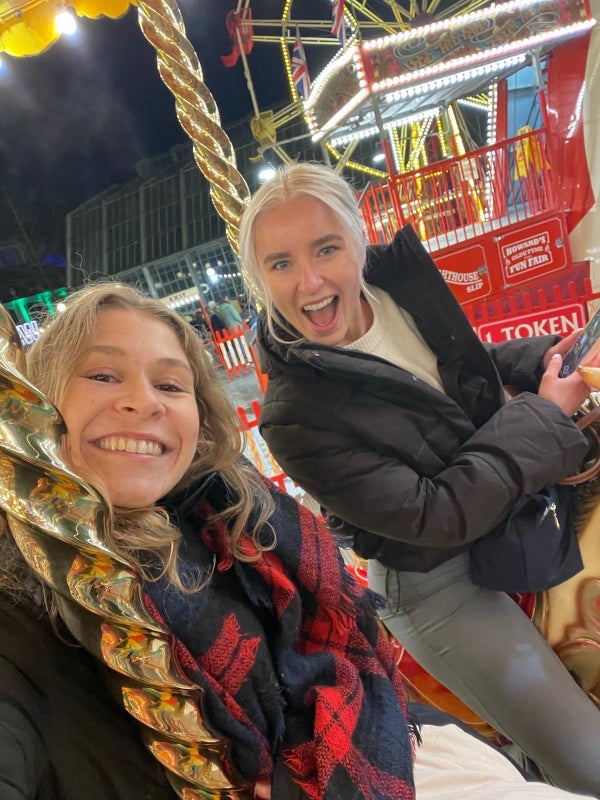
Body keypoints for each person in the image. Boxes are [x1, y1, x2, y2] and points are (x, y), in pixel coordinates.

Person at [238, 161, 600, 797]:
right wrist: (546, 414)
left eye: (326, 249)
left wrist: (542, 357)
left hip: (507, 505)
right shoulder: (294, 414)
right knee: (588, 757)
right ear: (259, 279)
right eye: (281, 263)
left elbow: (461, 371)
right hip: (438, 577)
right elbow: (434, 514)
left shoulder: (396, 291)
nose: (310, 281)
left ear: (359, 240)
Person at [0, 282, 416, 800]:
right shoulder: (22, 606)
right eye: (102, 375)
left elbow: (350, 655)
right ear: (36, 405)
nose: (143, 402)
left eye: (170, 385)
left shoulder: (241, 523)